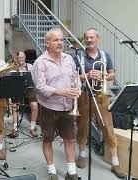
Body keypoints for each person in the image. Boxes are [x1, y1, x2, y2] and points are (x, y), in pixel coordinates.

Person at [74, 28, 126, 179]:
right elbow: (72, 76)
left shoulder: (105, 55)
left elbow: (112, 74)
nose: (89, 40)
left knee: (108, 127)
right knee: (83, 126)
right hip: (84, 95)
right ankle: (82, 155)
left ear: (98, 39)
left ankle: (115, 163)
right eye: (87, 37)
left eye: (92, 37)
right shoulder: (78, 56)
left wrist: (104, 75)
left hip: (102, 96)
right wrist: (87, 75)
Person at [31, 28, 80, 180]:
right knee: (48, 139)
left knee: (70, 139)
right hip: (48, 107)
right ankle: (52, 171)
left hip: (68, 106)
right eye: (55, 40)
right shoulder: (40, 63)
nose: (60, 42)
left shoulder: (69, 59)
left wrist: (77, 88)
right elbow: (40, 87)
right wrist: (62, 92)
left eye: (61, 40)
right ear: (47, 43)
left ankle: (71, 172)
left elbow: (75, 77)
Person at [8, 51, 38, 138]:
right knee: (15, 106)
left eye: (23, 57)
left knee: (34, 105)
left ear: (25, 58)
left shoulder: (30, 66)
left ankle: (32, 127)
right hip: (18, 89)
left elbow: (35, 78)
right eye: (20, 58)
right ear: (17, 59)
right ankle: (15, 128)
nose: (22, 59)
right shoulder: (14, 67)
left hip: (29, 88)